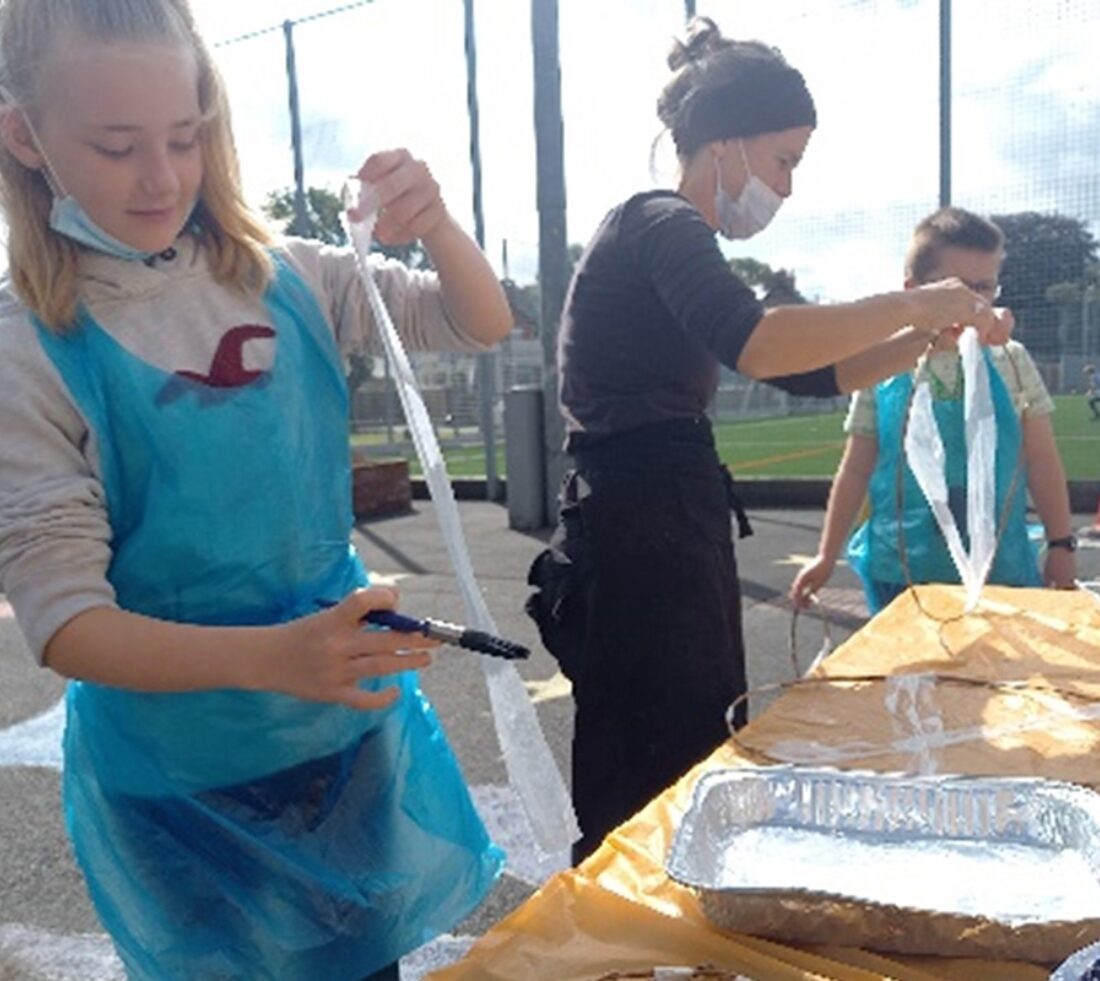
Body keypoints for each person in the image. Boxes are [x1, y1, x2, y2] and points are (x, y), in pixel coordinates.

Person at [0, 1, 513, 978]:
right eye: (115, 147)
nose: (161, 177)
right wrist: (275, 657)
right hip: (179, 776)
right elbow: (65, 625)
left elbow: (475, 319)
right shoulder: (27, 349)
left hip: (340, 734)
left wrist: (435, 224)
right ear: (23, 136)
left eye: (185, 137)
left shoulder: (292, 278)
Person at [524, 16, 1010, 865]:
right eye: (783, 161)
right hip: (640, 523)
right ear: (725, 146)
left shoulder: (671, 234)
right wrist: (913, 304)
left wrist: (920, 341)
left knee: (686, 741)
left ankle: (663, 915)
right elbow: (755, 339)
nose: (785, 188)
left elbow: (807, 373)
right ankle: (631, 934)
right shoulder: (660, 223)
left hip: (663, 512)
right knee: (654, 759)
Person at [791, 207, 1078, 615]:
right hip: (901, 575)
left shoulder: (1010, 360)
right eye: (958, 289)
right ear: (914, 290)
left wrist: (1061, 543)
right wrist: (825, 555)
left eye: (986, 288)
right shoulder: (883, 364)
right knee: (908, 674)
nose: (974, 303)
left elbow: (1042, 459)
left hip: (1000, 571)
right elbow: (856, 467)